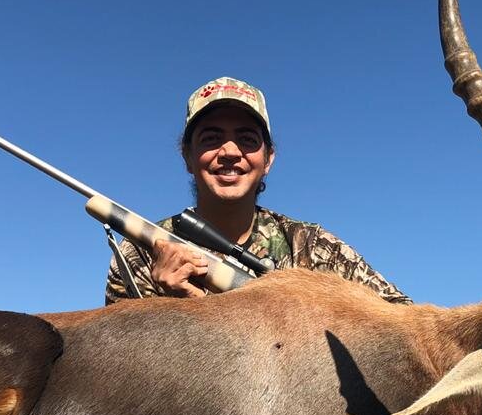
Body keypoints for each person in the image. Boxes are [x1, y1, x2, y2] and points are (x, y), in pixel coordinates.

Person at [105, 76, 409, 305]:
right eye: (211, 138)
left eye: (247, 139)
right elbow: (116, 372)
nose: (229, 152)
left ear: (268, 160)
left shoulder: (313, 247)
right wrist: (164, 308)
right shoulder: (140, 253)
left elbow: (400, 315)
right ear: (187, 156)